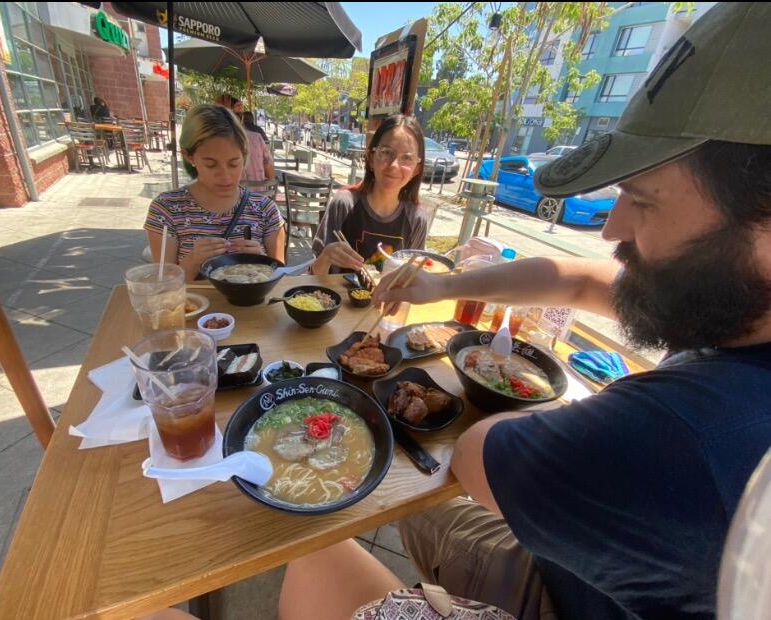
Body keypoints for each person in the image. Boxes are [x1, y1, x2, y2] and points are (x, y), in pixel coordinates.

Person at [278, 4, 771, 620]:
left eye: (643, 200)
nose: (613, 226)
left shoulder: (684, 431)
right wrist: (440, 287)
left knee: (319, 551)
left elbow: (476, 453)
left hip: (554, 592)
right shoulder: (738, 311)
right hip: (589, 564)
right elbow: (579, 276)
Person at [144, 104, 285, 280]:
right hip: (193, 307)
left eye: (234, 163)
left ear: (245, 155)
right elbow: (163, 287)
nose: (225, 176)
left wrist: (263, 262)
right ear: (189, 156)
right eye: (211, 164)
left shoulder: (265, 210)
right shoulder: (166, 209)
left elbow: (281, 279)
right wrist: (193, 260)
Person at [310, 114, 428, 277]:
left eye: (407, 158)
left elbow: (411, 282)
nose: (394, 165)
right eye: (387, 152)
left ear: (417, 169)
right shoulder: (345, 203)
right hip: (339, 301)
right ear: (371, 158)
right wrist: (326, 256)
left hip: (387, 302)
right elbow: (312, 276)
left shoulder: (416, 219)